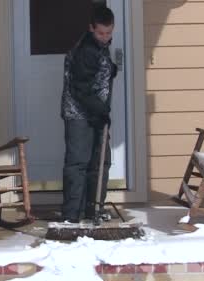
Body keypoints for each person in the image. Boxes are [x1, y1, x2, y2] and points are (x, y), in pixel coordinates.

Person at [60, 6, 118, 223]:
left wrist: (110, 68)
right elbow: (80, 89)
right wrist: (101, 111)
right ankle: (71, 215)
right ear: (91, 28)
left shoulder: (99, 47)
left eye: (109, 32)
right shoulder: (86, 50)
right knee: (78, 164)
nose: (105, 37)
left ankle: (93, 210)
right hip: (79, 115)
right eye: (101, 33)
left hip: (95, 114)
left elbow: (95, 73)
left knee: (100, 163)